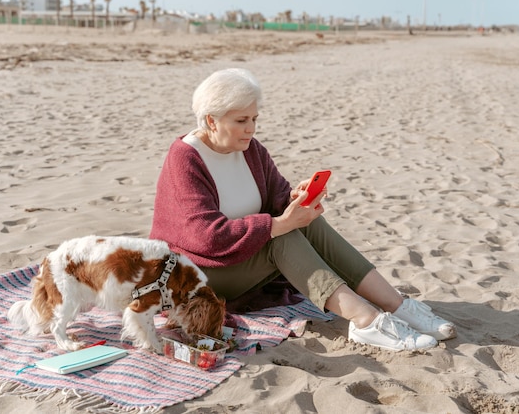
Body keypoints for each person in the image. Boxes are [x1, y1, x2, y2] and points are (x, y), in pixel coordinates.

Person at [150, 68, 456, 351]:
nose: (251, 129)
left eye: (255, 119)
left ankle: (397, 305)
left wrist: (294, 198)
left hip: (238, 259)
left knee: (306, 222)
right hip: (197, 272)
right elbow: (206, 237)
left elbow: (277, 196)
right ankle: (365, 321)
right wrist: (277, 224)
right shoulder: (186, 159)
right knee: (282, 236)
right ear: (211, 120)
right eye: (241, 121)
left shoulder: (250, 149)